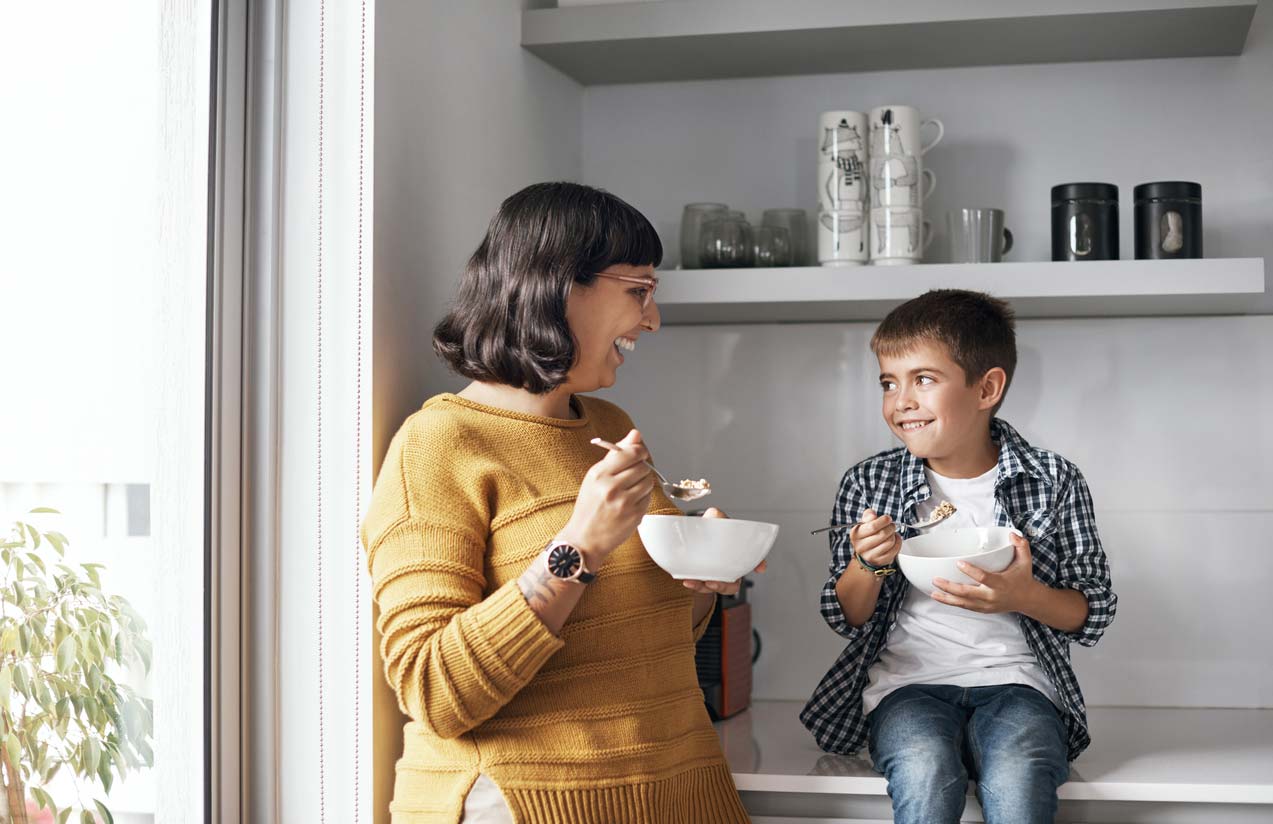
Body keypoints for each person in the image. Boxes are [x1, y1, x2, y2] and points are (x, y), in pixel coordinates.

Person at [362, 181, 755, 823]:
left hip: (677, 790)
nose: (652, 319)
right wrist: (580, 546)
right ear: (557, 286)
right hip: (529, 807)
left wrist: (701, 585)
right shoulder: (437, 445)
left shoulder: (603, 420)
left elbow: (638, 635)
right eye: (639, 291)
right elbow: (432, 688)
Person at [801, 289, 1117, 824]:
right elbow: (846, 616)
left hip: (1019, 687)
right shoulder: (869, 482)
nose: (900, 401)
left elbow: (1092, 613)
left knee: (1019, 773)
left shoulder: (1052, 479)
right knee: (924, 768)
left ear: (987, 388)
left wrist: (1025, 595)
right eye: (888, 382)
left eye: (923, 379)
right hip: (906, 688)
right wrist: (868, 564)